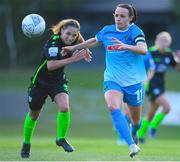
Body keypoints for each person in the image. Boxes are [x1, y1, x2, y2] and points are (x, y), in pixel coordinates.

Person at [62, 4, 148, 158]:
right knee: (112, 106)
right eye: (116, 15)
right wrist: (73, 48)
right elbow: (94, 41)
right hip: (112, 79)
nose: (118, 18)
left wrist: (126, 46)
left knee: (136, 121)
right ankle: (132, 145)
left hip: (133, 82)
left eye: (122, 16)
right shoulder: (107, 30)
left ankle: (134, 133)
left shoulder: (135, 31)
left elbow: (143, 49)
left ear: (130, 18)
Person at [20, 19, 92, 158]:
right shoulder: (54, 43)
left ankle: (60, 138)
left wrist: (85, 48)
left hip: (58, 81)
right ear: (61, 31)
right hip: (40, 82)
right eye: (68, 34)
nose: (70, 38)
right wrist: (73, 59)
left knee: (64, 107)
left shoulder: (74, 39)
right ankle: (26, 143)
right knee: (34, 115)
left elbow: (79, 37)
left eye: (73, 36)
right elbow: (51, 66)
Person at [137, 31, 180, 143]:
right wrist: (142, 80)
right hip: (151, 85)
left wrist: (179, 61)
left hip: (161, 86)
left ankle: (140, 133)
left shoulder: (169, 54)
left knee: (151, 113)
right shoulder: (150, 53)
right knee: (167, 107)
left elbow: (177, 68)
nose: (163, 43)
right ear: (157, 40)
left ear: (169, 43)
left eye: (166, 41)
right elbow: (139, 66)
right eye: (161, 40)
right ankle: (153, 127)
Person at [116, 52, 155, 145]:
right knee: (125, 111)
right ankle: (122, 137)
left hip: (138, 86)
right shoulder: (125, 50)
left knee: (134, 114)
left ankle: (134, 132)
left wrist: (146, 80)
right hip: (125, 84)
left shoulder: (146, 53)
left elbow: (152, 69)